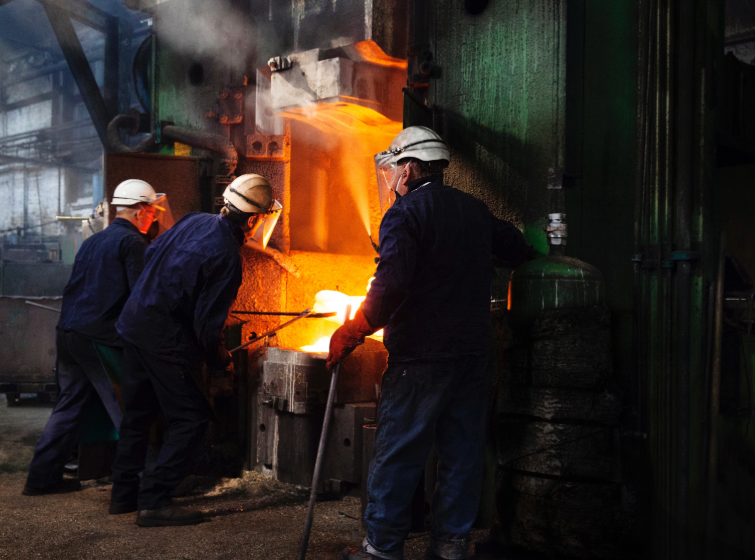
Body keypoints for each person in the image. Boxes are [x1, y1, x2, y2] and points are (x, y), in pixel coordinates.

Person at [331, 127, 532, 560]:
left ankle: (382, 549)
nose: (391, 178)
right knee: (461, 453)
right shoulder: (474, 210)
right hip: (473, 355)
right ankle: (450, 547)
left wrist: (352, 331)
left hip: (421, 356)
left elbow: (389, 288)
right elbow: (518, 248)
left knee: (400, 453)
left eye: (393, 169)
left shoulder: (404, 215)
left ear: (408, 168)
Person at [109, 173, 282, 527]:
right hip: (163, 338)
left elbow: (154, 251)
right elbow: (207, 327)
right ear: (253, 219)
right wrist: (221, 360)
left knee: (138, 415)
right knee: (191, 418)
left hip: (134, 325)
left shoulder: (193, 220)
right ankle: (155, 500)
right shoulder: (228, 257)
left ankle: (123, 495)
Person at [23, 179, 167, 495]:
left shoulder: (93, 241)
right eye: (153, 210)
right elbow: (139, 297)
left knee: (68, 407)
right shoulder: (132, 244)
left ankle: (40, 478)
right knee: (128, 411)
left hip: (69, 334)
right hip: (98, 340)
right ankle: (154, 483)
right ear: (140, 210)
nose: (155, 217)